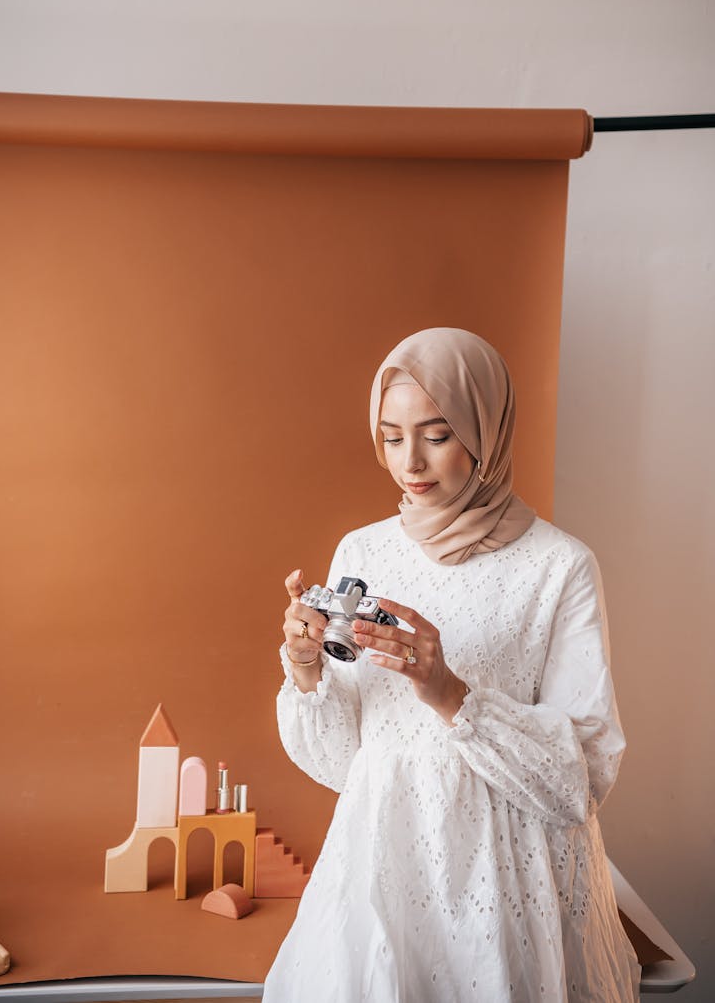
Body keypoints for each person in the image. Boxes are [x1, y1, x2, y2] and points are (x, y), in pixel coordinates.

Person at [263, 328, 640, 1003]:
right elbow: (345, 757)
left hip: (509, 869)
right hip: (381, 850)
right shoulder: (362, 549)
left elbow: (579, 779)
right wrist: (306, 669)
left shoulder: (559, 566)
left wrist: (451, 694)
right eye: (391, 434)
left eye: (436, 434)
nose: (410, 460)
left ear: (485, 430)